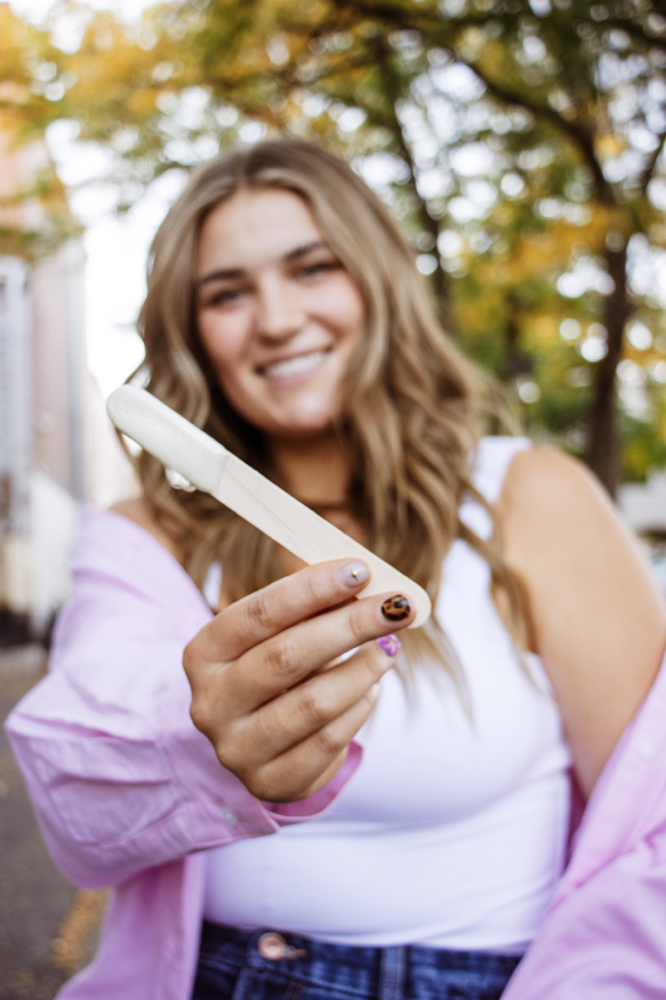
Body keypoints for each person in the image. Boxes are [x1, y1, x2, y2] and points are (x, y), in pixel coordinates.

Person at [7, 139, 666, 1000]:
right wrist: (204, 741)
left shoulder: (531, 499)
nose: (276, 319)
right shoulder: (147, 536)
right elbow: (78, 807)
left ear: (378, 282)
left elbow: (649, 831)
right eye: (228, 292)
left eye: (311, 268)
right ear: (191, 331)